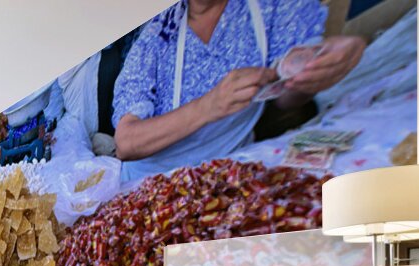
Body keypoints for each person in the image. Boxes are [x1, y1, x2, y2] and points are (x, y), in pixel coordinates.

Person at [111, 0, 365, 181]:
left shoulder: (274, 7)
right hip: (151, 180)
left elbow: (286, 99)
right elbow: (127, 143)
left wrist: (317, 71)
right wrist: (209, 105)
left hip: (227, 169)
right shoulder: (154, 39)